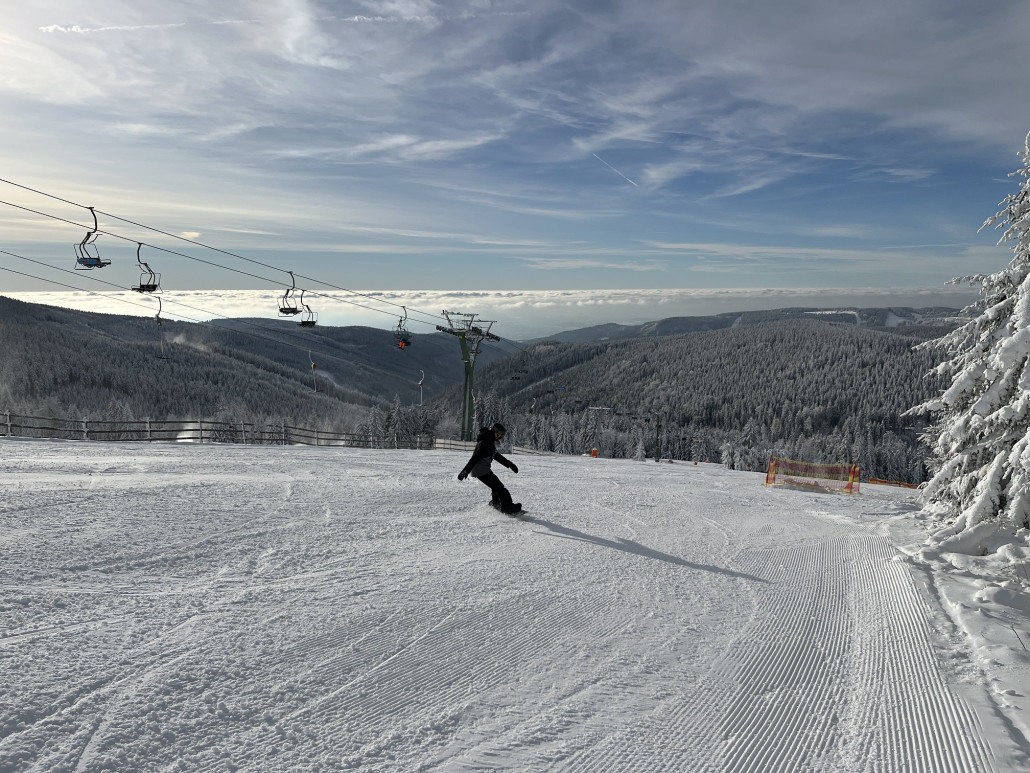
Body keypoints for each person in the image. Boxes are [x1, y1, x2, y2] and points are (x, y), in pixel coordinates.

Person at [457, 423, 522, 514]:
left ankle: (496, 503)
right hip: (480, 470)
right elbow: (476, 456)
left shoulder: (489, 440)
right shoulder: (485, 442)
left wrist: (510, 465)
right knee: (499, 487)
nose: (500, 437)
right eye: (500, 434)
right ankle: (507, 507)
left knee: (496, 486)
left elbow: (497, 456)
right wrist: (465, 471)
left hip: (483, 469)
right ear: (495, 432)